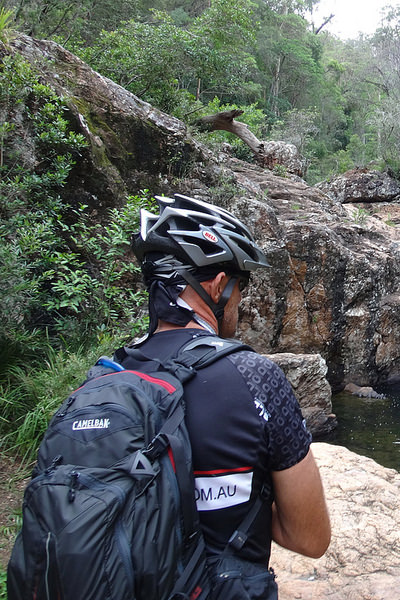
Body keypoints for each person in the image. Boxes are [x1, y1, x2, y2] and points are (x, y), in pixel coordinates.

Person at [126, 193, 330, 596]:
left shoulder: (103, 377)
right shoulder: (256, 378)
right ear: (218, 286)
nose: (241, 303)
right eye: (241, 289)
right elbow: (310, 537)